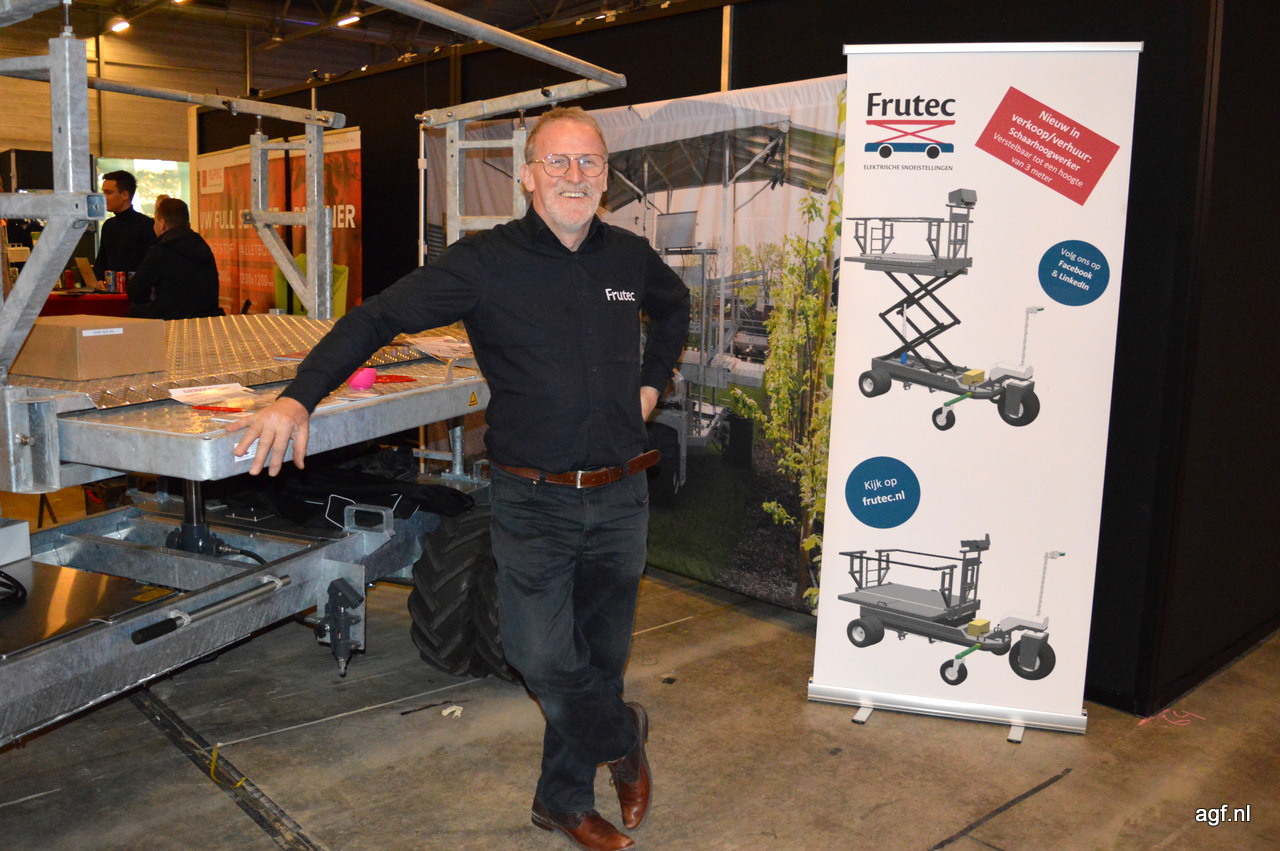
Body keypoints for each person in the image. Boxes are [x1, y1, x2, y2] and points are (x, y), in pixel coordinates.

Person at [228, 106, 690, 851]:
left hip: (620, 496)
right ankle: (623, 735)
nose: (575, 176)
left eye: (590, 162)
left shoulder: (629, 258)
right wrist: (296, 398)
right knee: (540, 656)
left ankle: (562, 801)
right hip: (533, 499)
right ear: (529, 175)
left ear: (605, 176)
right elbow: (376, 318)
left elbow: (675, 307)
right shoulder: (485, 262)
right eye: (559, 162)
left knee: (600, 659)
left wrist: (650, 381)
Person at [127, 197, 222, 319]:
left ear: (162, 224)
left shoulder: (161, 250)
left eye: (155, 222)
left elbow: (135, 291)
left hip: (171, 321)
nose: (154, 226)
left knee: (134, 311)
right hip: (206, 319)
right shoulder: (202, 245)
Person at [93, 170, 155, 280]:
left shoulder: (146, 225)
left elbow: (149, 265)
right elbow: (101, 262)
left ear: (125, 195)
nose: (103, 198)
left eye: (108, 193)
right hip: (111, 288)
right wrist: (99, 281)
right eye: (103, 193)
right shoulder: (108, 225)